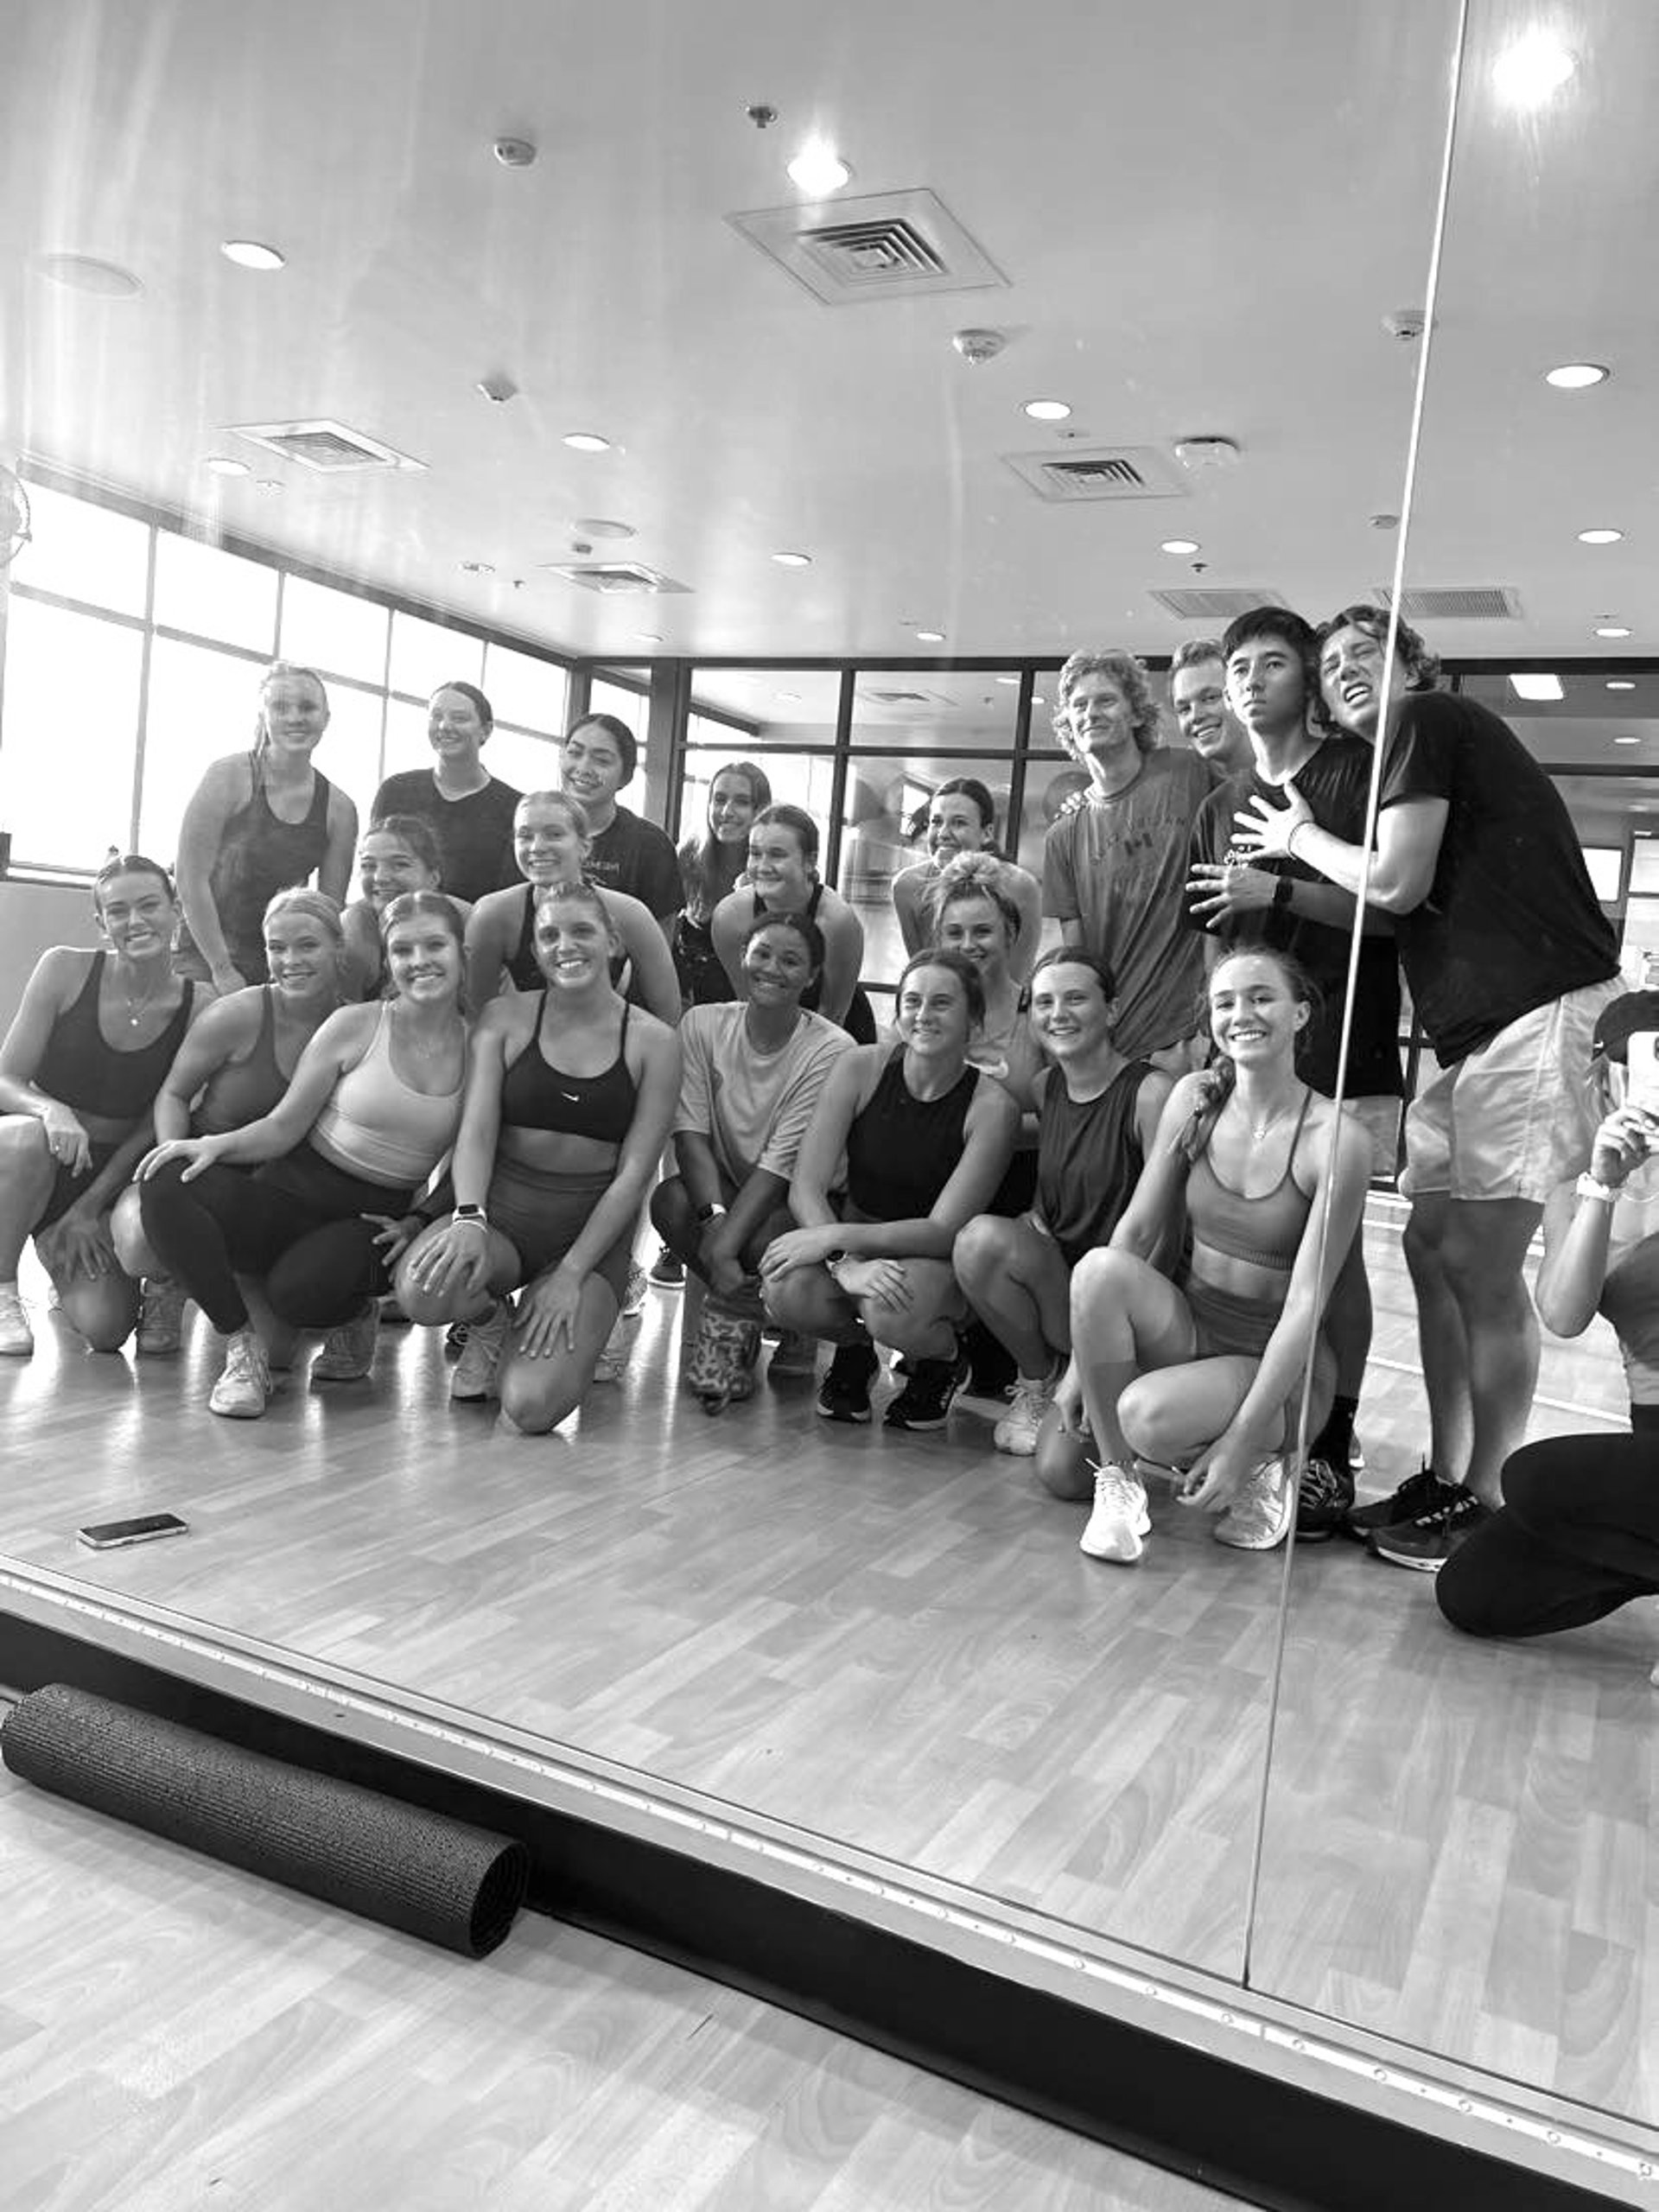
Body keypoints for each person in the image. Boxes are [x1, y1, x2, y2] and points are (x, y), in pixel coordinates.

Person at [1235, 603, 1622, 1564]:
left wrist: (1296, 837)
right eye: (1332, 663)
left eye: (1368, 652)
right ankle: (1447, 1476)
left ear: (1414, 666)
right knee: (1431, 1244)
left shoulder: (1426, 719)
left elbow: (1396, 884)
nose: (1347, 669)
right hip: (1472, 1035)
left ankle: (1489, 1496)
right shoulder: (1405, 769)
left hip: (1539, 1008)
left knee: (1482, 1265)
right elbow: (1391, 900)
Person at [1185, 605, 1405, 1531]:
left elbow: (1393, 912)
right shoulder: (1219, 805)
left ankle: (1331, 1442)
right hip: (1246, 1076)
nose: (1250, 681)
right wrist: (1212, 1048)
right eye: (1238, 668)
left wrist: (1277, 886)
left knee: (1337, 1262)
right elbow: (1214, 938)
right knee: (1260, 1251)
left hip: (1348, 1053)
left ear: (1306, 677)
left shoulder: (1355, 771)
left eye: (1272, 663)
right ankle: (1267, 1424)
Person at [1064, 945, 1371, 1562]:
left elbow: (1307, 1304)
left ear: (1300, 1014)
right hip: (1195, 1327)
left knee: (1144, 1417)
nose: (1242, 1015)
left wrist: (1241, 1441)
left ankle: (1268, 1465)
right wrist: (1079, 1366)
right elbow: (1136, 1232)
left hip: (1281, 1364)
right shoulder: (1195, 1097)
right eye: (1225, 1002)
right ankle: (1120, 1490)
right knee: (1098, 1271)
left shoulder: (1338, 1138)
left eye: (1261, 998)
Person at [136, 891, 467, 1419]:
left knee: (297, 1295)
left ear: (461, 952)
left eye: (434, 946)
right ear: (387, 961)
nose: (418, 961)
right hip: (289, 1194)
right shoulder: (354, 1023)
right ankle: (240, 1345)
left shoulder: (481, 1046)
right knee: (167, 1180)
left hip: (371, 1222)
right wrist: (207, 1146)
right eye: (403, 950)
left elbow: (477, 1159)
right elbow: (282, 1127)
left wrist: (421, 1220)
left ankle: (355, 1309)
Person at [392, 881, 680, 1432]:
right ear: (534, 950)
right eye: (549, 935)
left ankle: (589, 1312)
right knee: (422, 1292)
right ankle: (491, 1320)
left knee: (529, 1408)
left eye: (581, 931)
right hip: (503, 1218)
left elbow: (634, 1175)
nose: (564, 946)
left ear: (613, 942)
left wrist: (571, 1274)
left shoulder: (654, 1042)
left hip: (588, 1235)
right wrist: (469, 1217)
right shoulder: (504, 1018)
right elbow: (476, 1132)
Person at [1435, 994, 1659, 1622]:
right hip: (1651, 1439)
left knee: (1534, 1475)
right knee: (1473, 1594)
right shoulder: (1577, 1191)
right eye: (1643, 1061)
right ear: (1605, 1080)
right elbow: (1564, 1315)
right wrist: (1604, 1187)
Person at [760, 949, 1019, 1430]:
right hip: (855, 1243)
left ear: (974, 1023)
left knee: (889, 1307)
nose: (923, 1014)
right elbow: (806, 1186)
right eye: (913, 1001)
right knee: (785, 1288)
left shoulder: (993, 1108)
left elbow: (943, 1231)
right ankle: (854, 1352)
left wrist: (835, 1240)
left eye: (942, 1003)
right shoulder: (859, 1067)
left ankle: (943, 1359)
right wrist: (843, 1263)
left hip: (935, 1260)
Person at [953, 950, 1170, 1491]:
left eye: (1076, 998)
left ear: (1112, 1010)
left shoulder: (1151, 1093)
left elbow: (1163, 1234)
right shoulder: (1046, 1086)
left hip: (1129, 1309)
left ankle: (1136, 1400)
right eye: (1044, 1002)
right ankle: (1040, 1381)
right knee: (979, 1241)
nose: (1058, 1014)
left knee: (1064, 1474)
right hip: (1066, 1288)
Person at [111, 887, 353, 1359]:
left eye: (307, 945)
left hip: (276, 1196)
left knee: (280, 1355)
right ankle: (169, 1279)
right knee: (141, 1241)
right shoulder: (238, 1014)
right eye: (277, 948)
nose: (290, 961)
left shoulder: (356, 1026)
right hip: (204, 1170)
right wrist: (173, 1157)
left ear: (338, 947)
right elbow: (174, 1094)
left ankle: (241, 1277)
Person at [652, 911, 855, 1410]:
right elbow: (690, 1135)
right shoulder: (701, 1024)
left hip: (801, 1198)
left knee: (764, 1239)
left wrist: (722, 1248)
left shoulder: (832, 1048)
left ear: (812, 975)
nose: (772, 969)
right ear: (742, 957)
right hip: (730, 1187)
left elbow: (782, 1164)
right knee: (671, 1202)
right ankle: (742, 1314)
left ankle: (768, 1324)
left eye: (791, 961)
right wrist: (715, 1222)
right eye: (762, 954)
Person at [0, 855, 203, 1356]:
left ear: (176, 911)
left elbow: (155, 1122)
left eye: (149, 905)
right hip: (37, 1157)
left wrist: (89, 1207)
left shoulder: (201, 1004)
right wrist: (50, 1110)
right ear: (101, 923)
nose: (135, 921)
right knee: (25, 1137)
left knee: (107, 1329)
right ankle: (3, 1290)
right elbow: (6, 1078)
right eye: (118, 911)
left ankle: (63, 1258)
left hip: (110, 1174)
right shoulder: (64, 969)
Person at [1042, 648, 1211, 1069]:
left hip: (1194, 1035)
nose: (1090, 713)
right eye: (1079, 705)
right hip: (1116, 1047)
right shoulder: (1064, 834)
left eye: (1106, 700)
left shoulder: (1189, 771)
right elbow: (1078, 962)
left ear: (1136, 713)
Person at [175, 662, 358, 992]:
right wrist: (221, 968)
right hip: (205, 953)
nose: (295, 718)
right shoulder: (227, 777)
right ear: (264, 716)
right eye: (281, 708)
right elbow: (190, 878)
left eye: (307, 707)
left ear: (326, 718)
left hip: (284, 962)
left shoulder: (340, 809)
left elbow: (328, 911)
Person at [462, 789, 680, 1022]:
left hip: (609, 1037)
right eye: (525, 836)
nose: (537, 847)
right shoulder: (492, 915)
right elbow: (478, 1017)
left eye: (554, 834)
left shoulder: (630, 915)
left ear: (585, 846)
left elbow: (669, 1015)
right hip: (527, 1039)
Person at [712, 804, 876, 1041]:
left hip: (836, 1032)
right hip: (769, 1031)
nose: (762, 867)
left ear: (810, 862)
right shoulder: (729, 917)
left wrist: (795, 1059)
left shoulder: (836, 921)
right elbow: (748, 1001)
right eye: (755, 853)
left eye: (777, 854)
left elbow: (834, 1012)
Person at [370, 681, 523, 906]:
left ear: (486, 730)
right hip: (396, 919)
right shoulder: (395, 790)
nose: (444, 726)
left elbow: (510, 899)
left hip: (479, 924)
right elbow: (374, 868)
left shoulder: (515, 807)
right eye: (436, 716)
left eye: (459, 718)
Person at [890, 779, 1043, 983]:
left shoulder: (1020, 886)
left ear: (986, 833)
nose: (943, 834)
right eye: (936, 822)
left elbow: (1016, 983)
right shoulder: (907, 886)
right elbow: (923, 975)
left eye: (959, 823)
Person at [558, 712, 681, 933]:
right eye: (574, 753)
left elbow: (661, 939)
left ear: (626, 775)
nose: (584, 767)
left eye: (602, 760)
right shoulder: (532, 831)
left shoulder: (651, 845)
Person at [672, 760, 772, 1008]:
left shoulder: (772, 872)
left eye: (742, 802)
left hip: (756, 1006)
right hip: (696, 1009)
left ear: (761, 810)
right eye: (719, 799)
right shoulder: (688, 857)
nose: (727, 811)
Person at [341, 814, 461, 998]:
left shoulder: (466, 922)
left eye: (399, 865)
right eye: (369, 866)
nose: (380, 877)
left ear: (433, 878)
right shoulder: (352, 929)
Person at [1168, 639, 1252, 779]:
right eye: (1185, 709)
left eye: (1210, 698)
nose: (1196, 716)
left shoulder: (1288, 775)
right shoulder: (1182, 786)